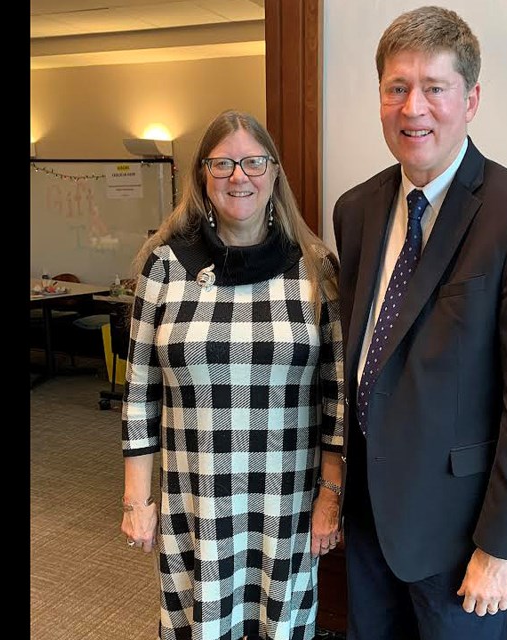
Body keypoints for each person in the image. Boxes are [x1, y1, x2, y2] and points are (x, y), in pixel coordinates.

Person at [331, 6, 507, 639]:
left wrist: (502, 548)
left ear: (470, 100)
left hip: (460, 542)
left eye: (434, 88)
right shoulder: (356, 210)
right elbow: (365, 361)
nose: (413, 107)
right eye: (396, 88)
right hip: (368, 523)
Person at [121, 109, 345, 640]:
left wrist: (330, 497)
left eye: (252, 162)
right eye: (222, 164)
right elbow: (138, 395)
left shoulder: (315, 269)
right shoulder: (164, 267)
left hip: (285, 505)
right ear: (203, 176)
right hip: (196, 505)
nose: (238, 176)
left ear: (272, 173)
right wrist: (137, 501)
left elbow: (337, 398)